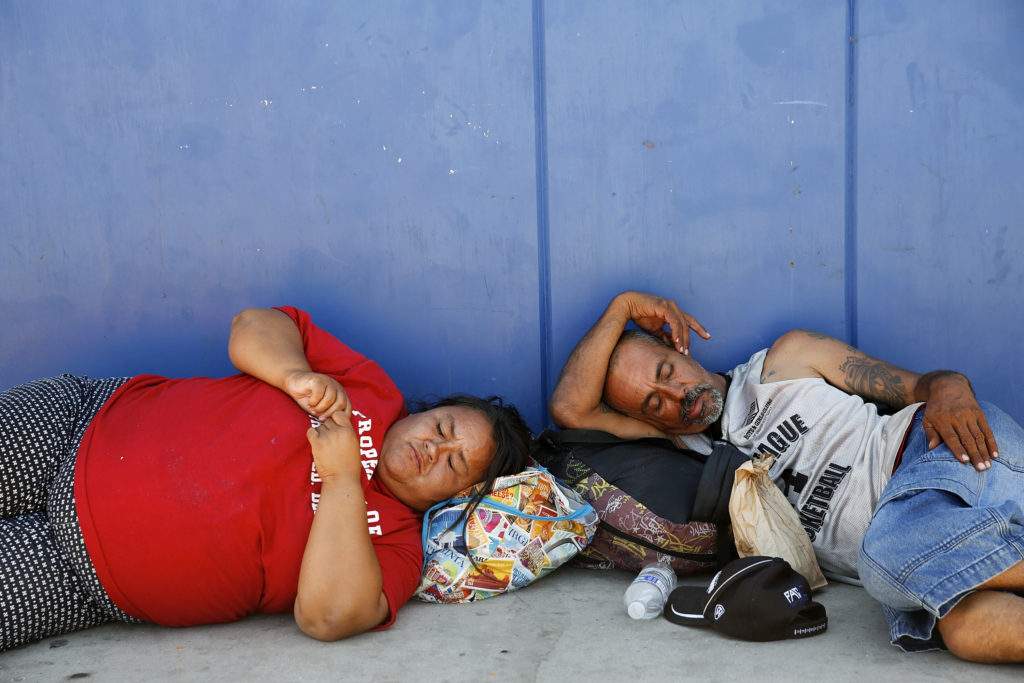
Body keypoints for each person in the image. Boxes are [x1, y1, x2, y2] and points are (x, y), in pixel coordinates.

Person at [0, 306, 531, 651]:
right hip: (77, 426)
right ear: (424, 411)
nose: (431, 449)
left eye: (454, 462)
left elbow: (329, 617)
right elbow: (256, 323)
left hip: (78, 576)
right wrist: (293, 374)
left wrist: (343, 478)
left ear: (458, 495)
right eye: (441, 428)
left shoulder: (395, 544)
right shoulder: (369, 390)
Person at [549, 290, 1024, 664]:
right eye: (655, 403)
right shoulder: (688, 452)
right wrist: (621, 307)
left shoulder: (785, 361)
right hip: (919, 551)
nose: (675, 394)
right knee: (966, 631)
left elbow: (925, 387)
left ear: (680, 349)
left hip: (944, 452)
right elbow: (571, 409)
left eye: (666, 371)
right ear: (651, 424)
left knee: (882, 560)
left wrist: (952, 388)